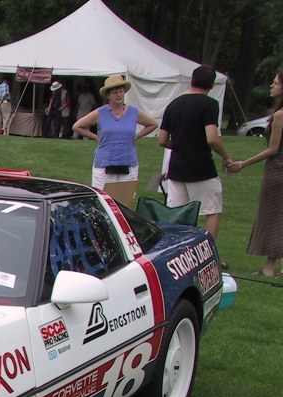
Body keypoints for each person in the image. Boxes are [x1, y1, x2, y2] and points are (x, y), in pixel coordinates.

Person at [158, 64, 234, 240]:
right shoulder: (210, 104)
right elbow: (212, 138)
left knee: (178, 214)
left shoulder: (174, 105)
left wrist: (180, 144)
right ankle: (207, 252)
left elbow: (162, 140)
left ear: (192, 81)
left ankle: (177, 251)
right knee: (212, 211)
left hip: (176, 167)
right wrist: (226, 157)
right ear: (212, 85)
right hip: (201, 167)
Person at [72, 74, 158, 206]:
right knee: (103, 201)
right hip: (105, 162)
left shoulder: (134, 112)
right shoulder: (100, 112)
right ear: (108, 95)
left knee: (125, 202)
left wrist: (136, 136)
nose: (118, 94)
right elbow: (77, 126)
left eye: (121, 91)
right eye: (115, 92)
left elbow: (152, 124)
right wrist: (96, 137)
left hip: (128, 161)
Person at [230, 69, 283, 277]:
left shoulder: (279, 115)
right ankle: (271, 267)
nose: (271, 86)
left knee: (272, 217)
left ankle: (270, 268)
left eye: (275, 83)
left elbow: (273, 149)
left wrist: (243, 163)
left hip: (277, 171)